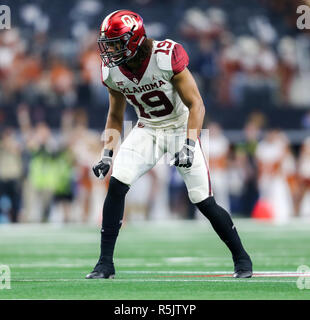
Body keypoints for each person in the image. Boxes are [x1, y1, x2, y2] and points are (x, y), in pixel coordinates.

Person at [86, 10, 252, 279]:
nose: (111, 50)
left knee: (202, 199)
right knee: (117, 183)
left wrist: (188, 142)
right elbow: (115, 115)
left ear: (134, 39)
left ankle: (242, 259)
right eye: (109, 44)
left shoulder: (165, 55)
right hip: (147, 127)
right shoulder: (112, 70)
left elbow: (196, 103)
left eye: (116, 43)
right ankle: (105, 263)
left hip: (179, 126)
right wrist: (107, 153)